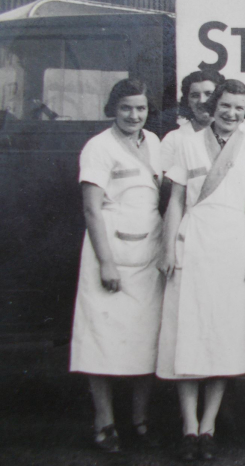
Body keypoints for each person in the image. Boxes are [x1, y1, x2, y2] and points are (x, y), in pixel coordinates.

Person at [156, 79, 245, 461]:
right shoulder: (187, 143)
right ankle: (189, 427)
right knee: (188, 332)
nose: (231, 113)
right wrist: (168, 249)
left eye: (239, 107)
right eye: (225, 105)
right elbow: (175, 201)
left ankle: (208, 426)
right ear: (213, 105)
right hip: (193, 241)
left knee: (223, 334)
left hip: (233, 246)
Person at [70, 78, 164, 452]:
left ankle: (140, 421)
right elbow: (91, 209)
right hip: (109, 252)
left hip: (148, 253)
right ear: (113, 108)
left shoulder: (154, 142)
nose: (134, 115)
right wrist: (106, 263)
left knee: (145, 339)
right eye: (126, 108)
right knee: (102, 339)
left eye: (141, 108)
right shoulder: (98, 147)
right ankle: (104, 423)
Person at [160, 70, 225, 173]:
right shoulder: (173, 139)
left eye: (209, 94)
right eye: (195, 95)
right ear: (187, 101)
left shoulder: (239, 133)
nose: (202, 101)